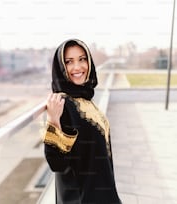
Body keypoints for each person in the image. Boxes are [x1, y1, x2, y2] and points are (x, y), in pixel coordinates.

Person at [43, 39, 122, 204]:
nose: (78, 67)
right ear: (61, 68)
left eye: (82, 59)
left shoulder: (83, 97)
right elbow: (57, 163)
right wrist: (53, 120)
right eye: (69, 62)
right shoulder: (63, 104)